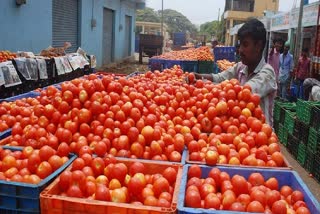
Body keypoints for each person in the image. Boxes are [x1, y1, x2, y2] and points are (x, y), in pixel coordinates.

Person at [193, 18, 277, 126]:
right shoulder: (240, 67)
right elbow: (219, 77)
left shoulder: (267, 73)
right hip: (242, 131)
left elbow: (244, 93)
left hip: (262, 136)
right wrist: (199, 77)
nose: (240, 50)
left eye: (245, 45)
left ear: (258, 46)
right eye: (240, 45)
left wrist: (206, 86)